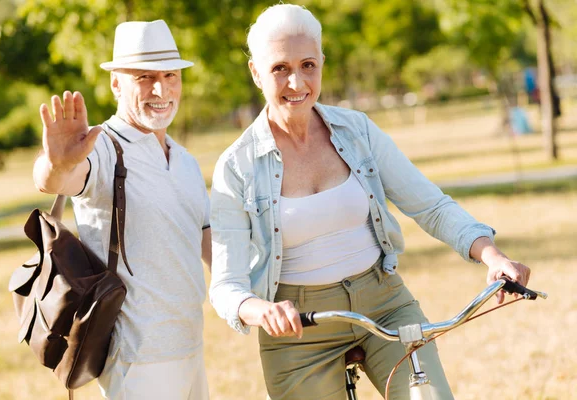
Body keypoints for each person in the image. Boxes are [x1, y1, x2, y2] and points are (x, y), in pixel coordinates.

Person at [209, 4, 531, 400]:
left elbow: (430, 206)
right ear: (256, 73)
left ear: (322, 63)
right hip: (299, 330)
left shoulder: (356, 130)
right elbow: (226, 286)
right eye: (280, 68)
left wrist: (492, 256)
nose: (297, 81)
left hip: (385, 303)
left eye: (308, 64)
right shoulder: (236, 165)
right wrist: (261, 310)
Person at [33, 20, 211, 400]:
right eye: (144, 77)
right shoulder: (101, 147)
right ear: (116, 83)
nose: (161, 90)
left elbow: (204, 238)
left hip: (192, 346)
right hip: (136, 360)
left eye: (170, 75)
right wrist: (57, 163)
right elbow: (56, 179)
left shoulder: (185, 160)